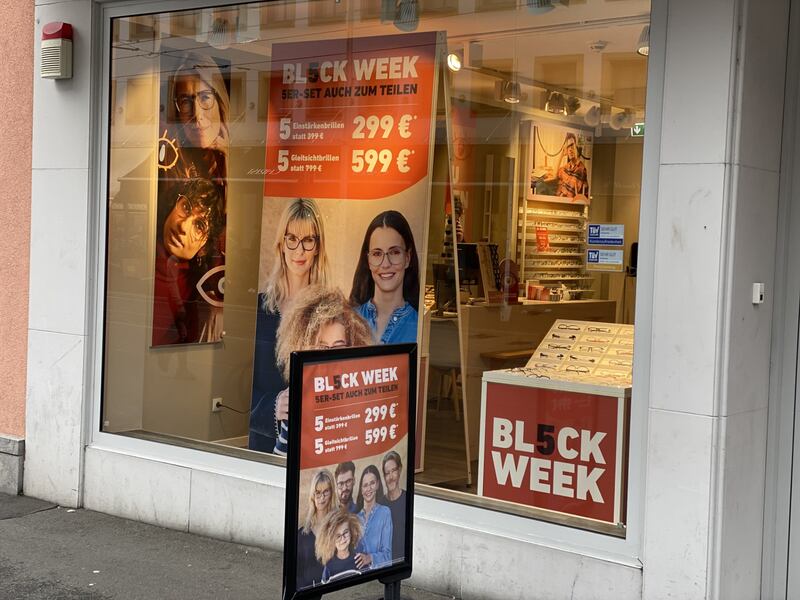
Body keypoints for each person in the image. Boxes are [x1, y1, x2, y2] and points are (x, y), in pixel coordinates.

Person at [249, 199, 330, 453]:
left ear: (318, 247)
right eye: (292, 239)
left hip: (312, 446)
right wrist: (273, 407)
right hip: (263, 448)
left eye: (308, 240)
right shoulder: (258, 309)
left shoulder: (330, 312)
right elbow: (237, 387)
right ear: (281, 244)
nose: (300, 250)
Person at [272, 286, 373, 456]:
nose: (329, 357)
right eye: (321, 347)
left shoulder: (362, 400)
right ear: (302, 346)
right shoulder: (299, 399)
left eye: (338, 347)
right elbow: (281, 461)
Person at [152, 178, 225, 346]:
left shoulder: (197, 286)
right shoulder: (137, 257)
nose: (183, 226)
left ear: (205, 245)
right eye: (185, 207)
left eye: (199, 226)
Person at [350, 211, 420, 344]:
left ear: (407, 257)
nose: (386, 264)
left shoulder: (420, 327)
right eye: (377, 254)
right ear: (368, 260)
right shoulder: (349, 321)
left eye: (395, 252)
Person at [296, 469, 336, 589]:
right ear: (312, 495)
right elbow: (297, 572)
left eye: (326, 492)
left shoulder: (339, 528)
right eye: (317, 492)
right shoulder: (302, 534)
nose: (321, 497)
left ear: (332, 493)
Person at [354, 465, 393, 570]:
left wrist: (369, 558)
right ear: (361, 489)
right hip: (357, 573)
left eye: (372, 483)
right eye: (365, 485)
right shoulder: (355, 519)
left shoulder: (385, 512)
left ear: (378, 484)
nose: (369, 488)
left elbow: (388, 557)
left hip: (377, 573)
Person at [316, 510, 364, 583]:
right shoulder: (329, 566)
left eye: (345, 532)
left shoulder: (359, 560)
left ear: (351, 532)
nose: (343, 538)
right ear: (330, 540)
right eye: (338, 536)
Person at [381, 451, 406, 561]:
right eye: (387, 473)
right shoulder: (379, 504)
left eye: (394, 471)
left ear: (399, 471)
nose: (391, 477)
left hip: (402, 560)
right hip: (385, 562)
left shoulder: (406, 499)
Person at [554, 133, 589, 200]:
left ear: (577, 150)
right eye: (568, 148)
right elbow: (556, 175)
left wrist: (560, 193)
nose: (570, 150)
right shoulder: (568, 166)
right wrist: (561, 155)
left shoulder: (581, 169)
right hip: (561, 199)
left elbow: (570, 191)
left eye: (573, 147)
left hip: (570, 202)